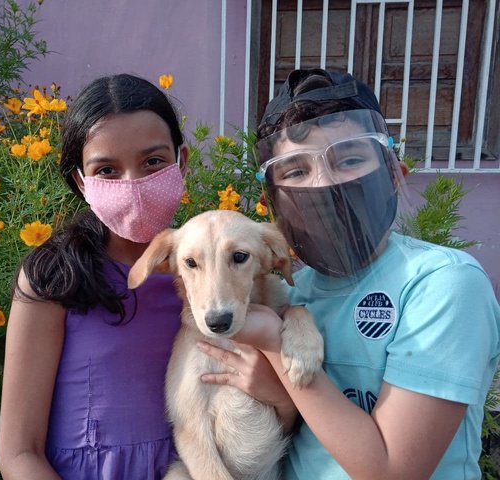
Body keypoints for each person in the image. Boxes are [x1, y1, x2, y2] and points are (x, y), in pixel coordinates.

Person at [199, 68, 500, 479]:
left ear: (395, 173)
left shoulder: (441, 284)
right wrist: (280, 398)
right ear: (274, 203)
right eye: (295, 171)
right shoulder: (291, 292)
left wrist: (275, 347)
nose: (325, 184)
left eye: (351, 159)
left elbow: (393, 471)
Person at [0, 73, 189, 480]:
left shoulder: (211, 272)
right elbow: (18, 452)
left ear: (181, 162)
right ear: (82, 182)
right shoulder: (53, 279)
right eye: (107, 170)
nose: (133, 184)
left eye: (153, 161)